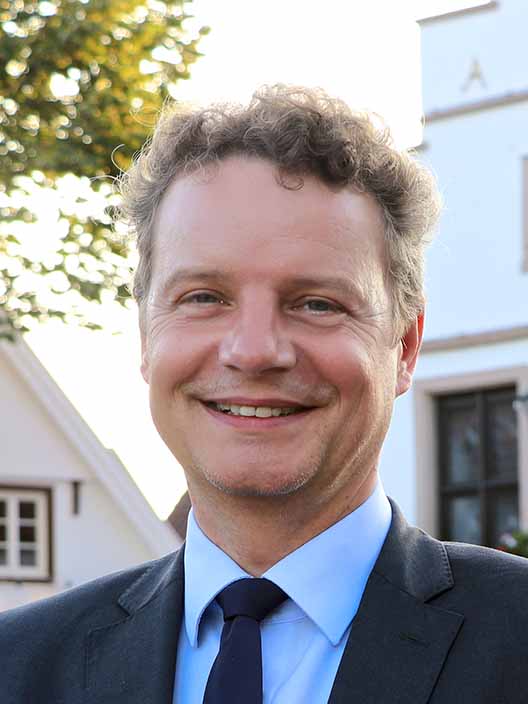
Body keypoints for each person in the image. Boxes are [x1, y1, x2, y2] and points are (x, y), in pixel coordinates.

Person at [1, 84, 527, 704]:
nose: (253, 351)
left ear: (405, 347)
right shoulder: (18, 666)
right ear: (145, 336)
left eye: (316, 304)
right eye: (203, 297)